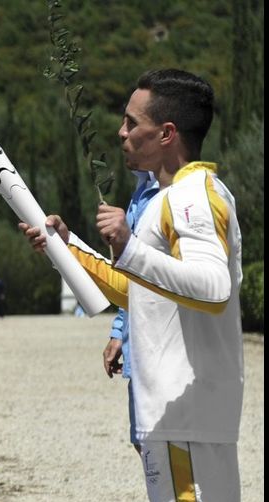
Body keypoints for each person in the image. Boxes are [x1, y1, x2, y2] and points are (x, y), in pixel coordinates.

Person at [19, 69, 243, 502]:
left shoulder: (191, 196)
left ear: (166, 134)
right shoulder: (169, 198)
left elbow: (213, 287)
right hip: (178, 422)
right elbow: (138, 290)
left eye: (131, 122)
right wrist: (68, 247)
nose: (121, 132)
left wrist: (129, 246)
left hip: (186, 421)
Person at [103, 169, 158, 453]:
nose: (124, 148)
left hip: (161, 352)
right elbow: (131, 279)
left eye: (131, 123)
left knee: (163, 448)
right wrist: (118, 333)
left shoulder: (173, 194)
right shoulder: (140, 191)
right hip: (137, 347)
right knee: (143, 443)